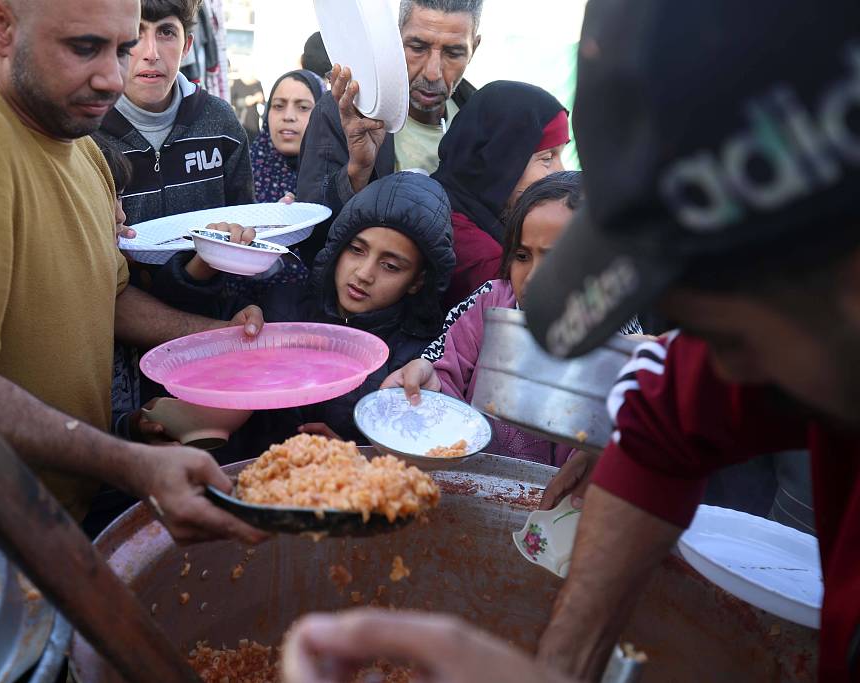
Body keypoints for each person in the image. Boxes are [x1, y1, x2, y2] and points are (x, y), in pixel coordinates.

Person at [284, 1, 860, 681]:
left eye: (713, 301)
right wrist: (560, 665)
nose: (702, 349)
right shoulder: (781, 332)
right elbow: (661, 427)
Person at [0, 0, 267, 546]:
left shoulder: (84, 153)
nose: (112, 77)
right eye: (84, 48)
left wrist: (218, 341)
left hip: (60, 518)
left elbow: (108, 298)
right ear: (2, 27)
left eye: (121, 49)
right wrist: (123, 460)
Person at [148, 172, 455, 452]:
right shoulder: (280, 307)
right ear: (337, 247)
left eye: (390, 266)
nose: (364, 273)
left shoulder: (418, 360)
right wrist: (207, 260)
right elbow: (174, 320)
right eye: (356, 250)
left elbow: (423, 454)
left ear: (417, 281)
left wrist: (357, 455)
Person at [384, 172, 640, 469]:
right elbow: (445, 373)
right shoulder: (490, 305)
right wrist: (431, 383)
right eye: (521, 256)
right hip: (474, 483)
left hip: (561, 506)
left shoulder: (622, 341)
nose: (532, 277)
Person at [295, 0, 481, 260]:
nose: (432, 72)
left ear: (475, 48)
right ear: (394, 39)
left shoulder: (481, 123)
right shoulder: (349, 108)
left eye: (453, 53)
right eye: (417, 47)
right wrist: (356, 174)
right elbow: (311, 238)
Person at [95, 0, 253, 230]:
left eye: (166, 32)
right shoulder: (86, 133)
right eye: (135, 32)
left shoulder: (221, 122)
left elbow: (245, 219)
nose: (151, 53)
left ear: (187, 45)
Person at [430, 80, 569, 308]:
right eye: (547, 158)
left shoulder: (438, 201)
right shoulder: (485, 259)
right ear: (502, 161)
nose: (560, 172)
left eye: (561, 154)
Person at [250, 69, 323, 203]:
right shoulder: (243, 173)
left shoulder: (341, 177)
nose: (288, 116)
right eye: (278, 106)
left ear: (323, 115)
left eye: (303, 107)